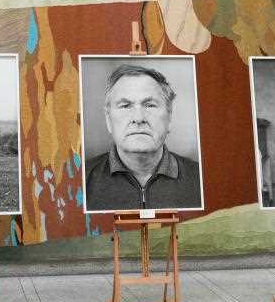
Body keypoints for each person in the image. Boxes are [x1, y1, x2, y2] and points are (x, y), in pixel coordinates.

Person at [85, 64, 201, 211]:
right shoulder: (80, 180)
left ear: (169, 117)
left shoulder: (201, 179)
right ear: (108, 120)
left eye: (150, 105)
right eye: (125, 106)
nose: (138, 118)